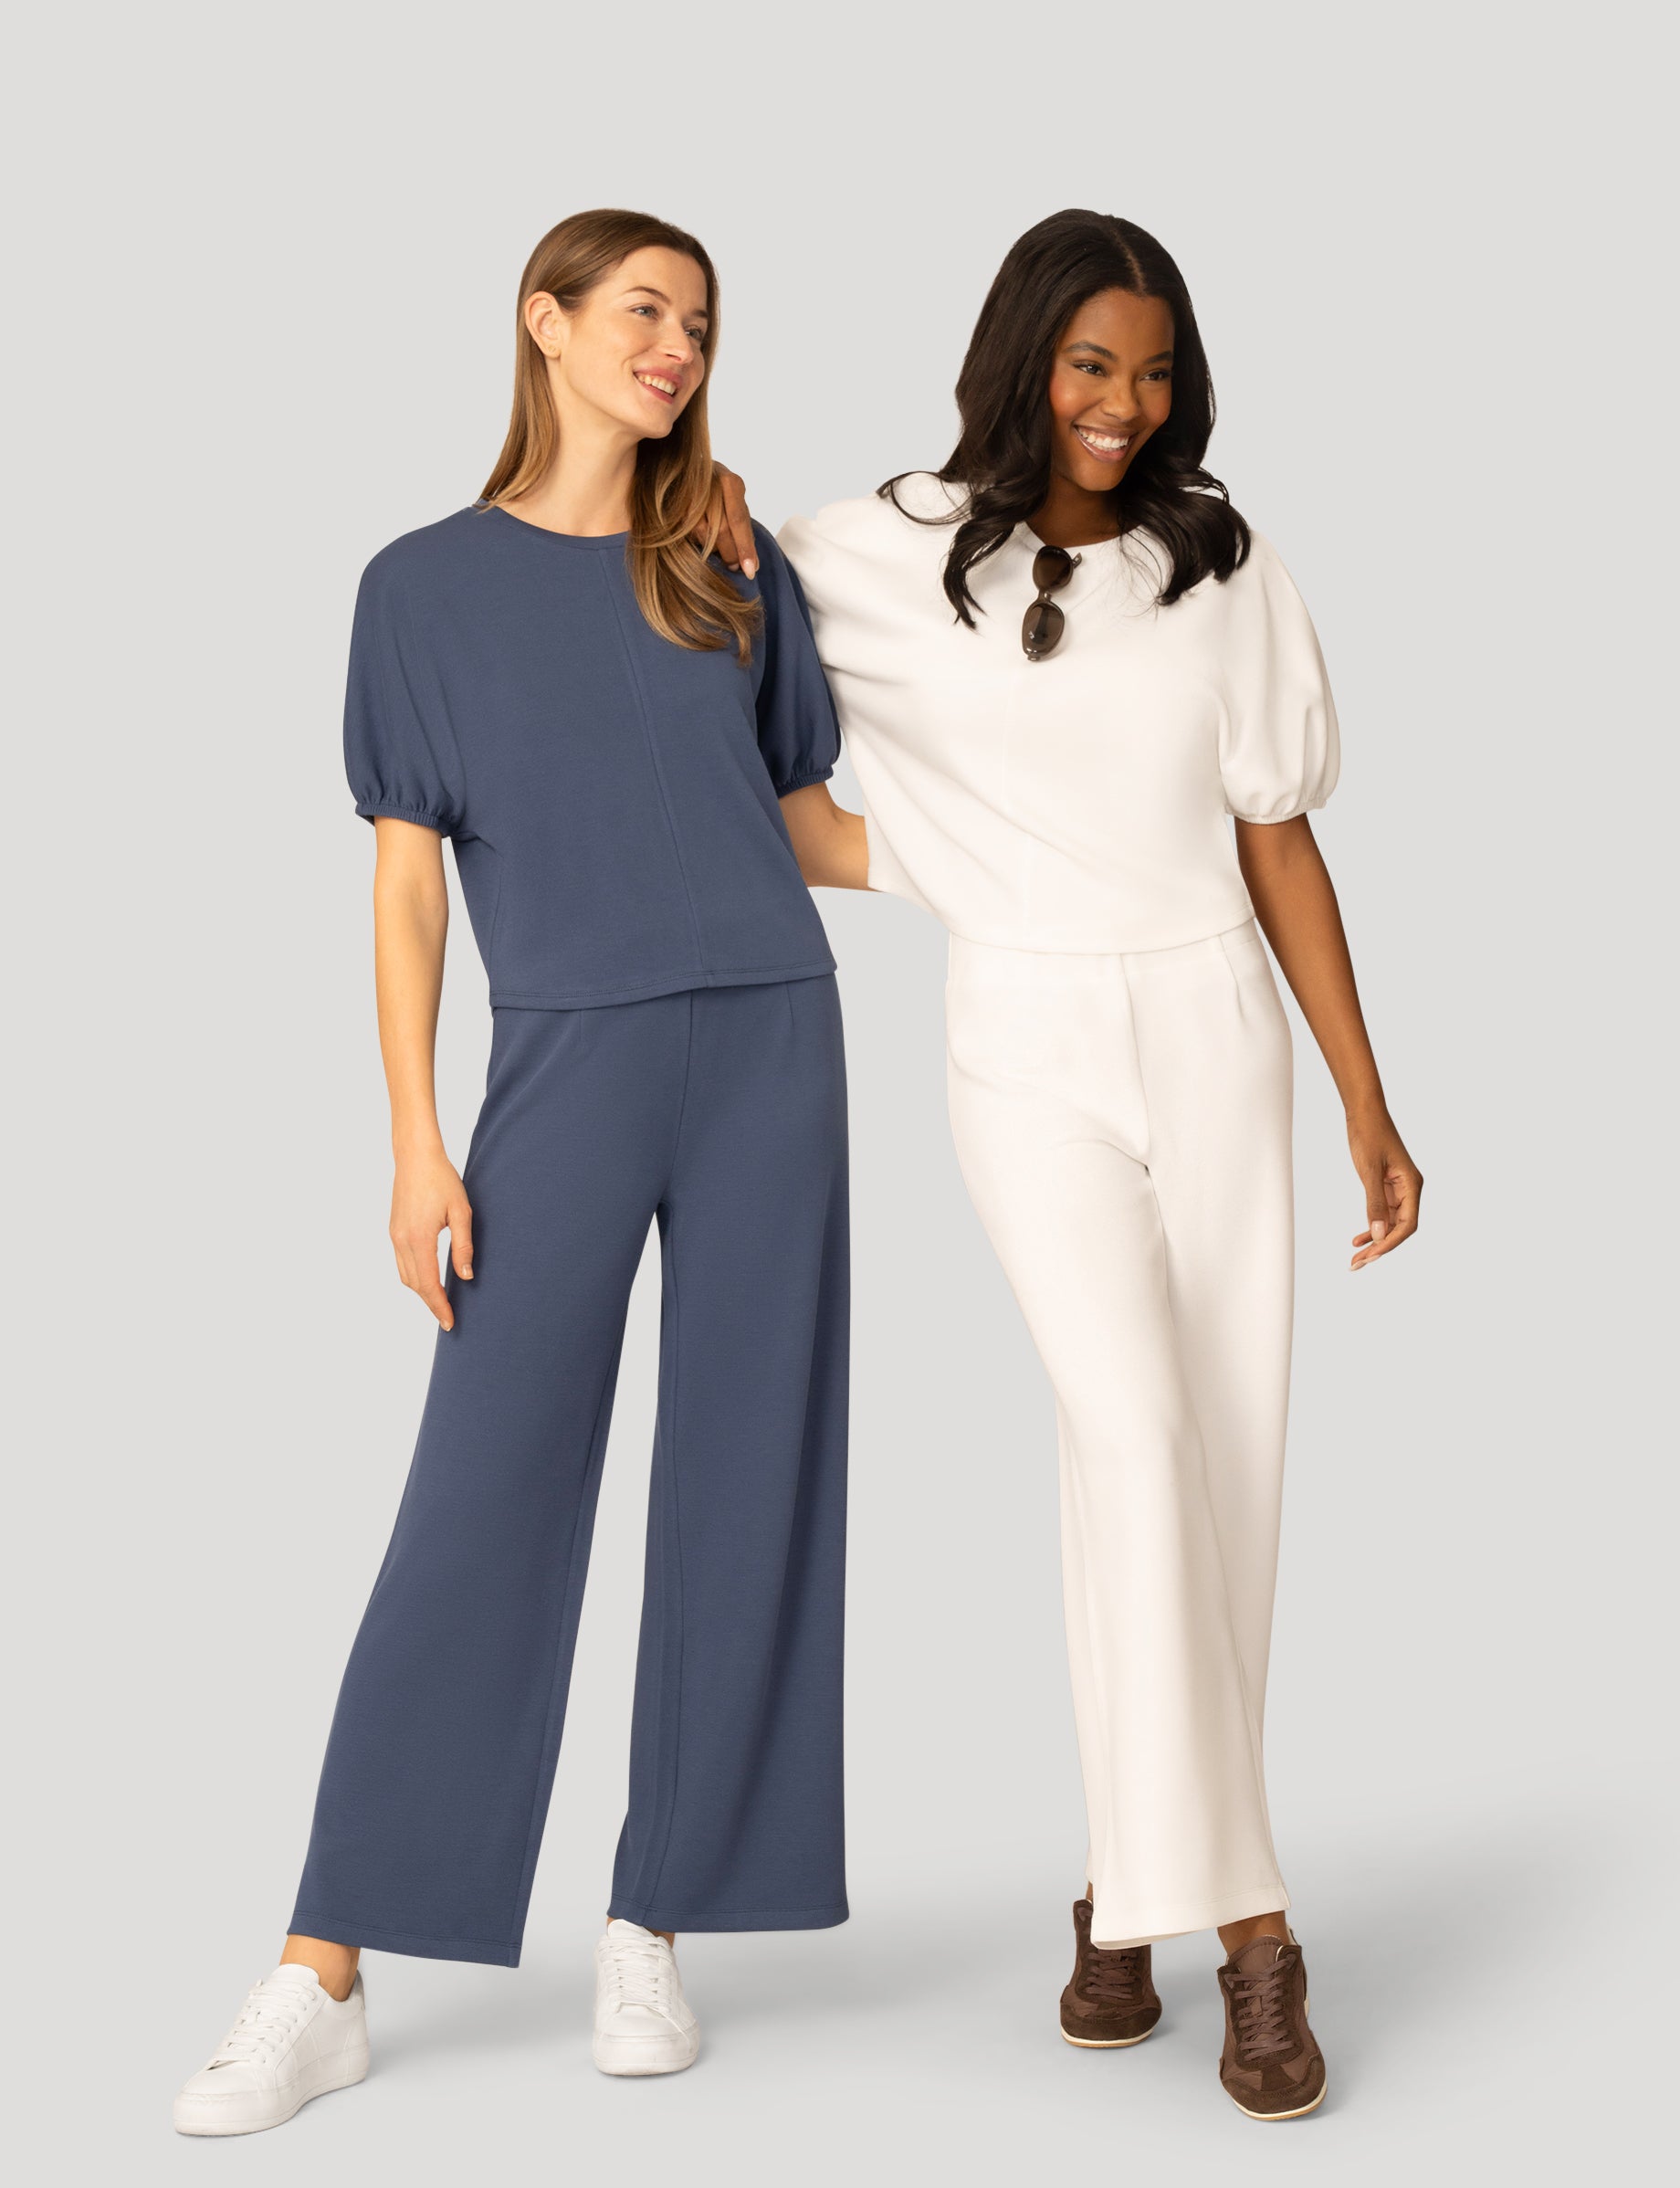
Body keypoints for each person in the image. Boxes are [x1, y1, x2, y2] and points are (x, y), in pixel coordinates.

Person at [173, 208, 851, 2136]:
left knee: (750, 1476)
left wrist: (1052, 869)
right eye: (642, 310)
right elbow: (407, 892)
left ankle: (655, 1920)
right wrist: (416, 1142)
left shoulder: (728, 562)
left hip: (772, 1043)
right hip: (562, 1058)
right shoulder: (419, 589)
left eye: (699, 321)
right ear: (543, 323)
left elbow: (809, 823)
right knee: (482, 1494)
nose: (675, 346)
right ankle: (323, 1969)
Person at [764, 208, 1423, 2121]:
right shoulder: (866, 551)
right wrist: (889, 853)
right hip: (1026, 1038)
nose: (1120, 403)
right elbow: (713, 662)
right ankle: (1255, 1935)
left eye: (1150, 371)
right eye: (1087, 365)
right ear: (1021, 360)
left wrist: (1367, 1098)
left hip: (1215, 1024)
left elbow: (1276, 838)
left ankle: (1122, 1899)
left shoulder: (1220, 565)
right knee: (1132, 1439)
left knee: (1219, 1475)